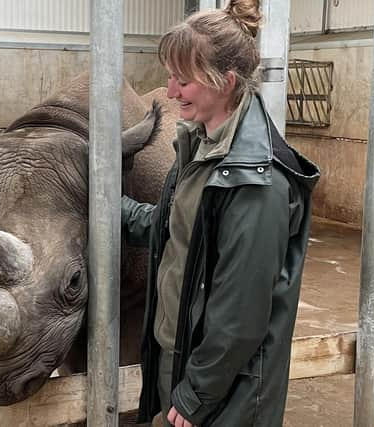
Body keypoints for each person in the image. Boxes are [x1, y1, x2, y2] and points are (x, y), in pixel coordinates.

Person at [121, 1, 320, 426]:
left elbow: (241, 316)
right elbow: (175, 231)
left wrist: (196, 395)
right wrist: (110, 212)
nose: (171, 91)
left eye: (183, 80)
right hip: (183, 361)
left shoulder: (257, 181)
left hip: (224, 393)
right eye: (171, 76)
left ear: (226, 82)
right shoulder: (203, 146)